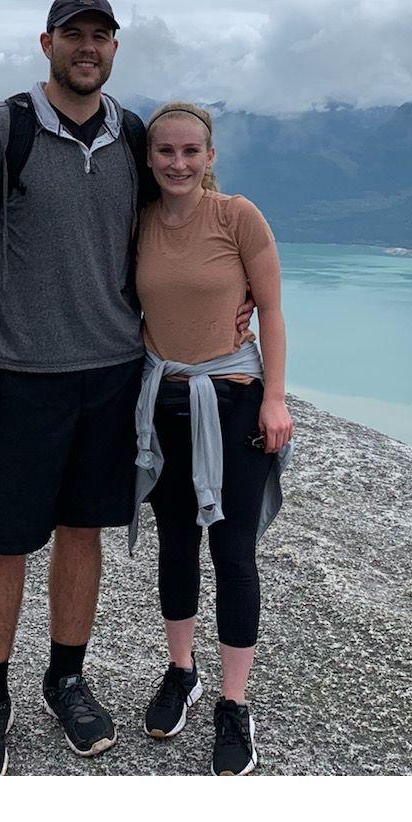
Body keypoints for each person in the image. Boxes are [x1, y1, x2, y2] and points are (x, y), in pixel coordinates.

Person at [0, 0, 248, 776]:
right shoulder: (1, 132)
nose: (87, 48)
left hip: (113, 375)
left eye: (100, 37)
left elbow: (178, 223)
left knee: (82, 533)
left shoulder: (135, 135)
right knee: (4, 541)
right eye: (73, 35)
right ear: (46, 43)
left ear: (115, 47)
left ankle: (65, 678)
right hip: (19, 375)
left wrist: (233, 293)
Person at [130, 100, 293, 775]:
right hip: (163, 398)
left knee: (233, 553)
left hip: (232, 399)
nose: (178, 163)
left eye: (191, 152)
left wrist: (275, 398)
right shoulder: (135, 222)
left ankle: (232, 702)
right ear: (149, 158)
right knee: (175, 541)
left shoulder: (237, 217)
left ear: (211, 157)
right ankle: (181, 671)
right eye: (165, 151)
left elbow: (274, 309)